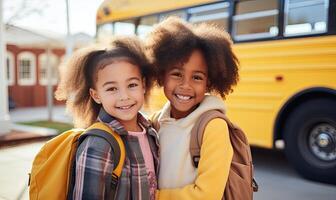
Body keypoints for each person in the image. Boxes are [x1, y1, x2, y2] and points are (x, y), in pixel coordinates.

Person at [146, 17, 239, 199]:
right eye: (176, 74)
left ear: (209, 82)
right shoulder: (154, 122)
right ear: (161, 74)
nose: (185, 85)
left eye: (197, 77)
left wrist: (153, 196)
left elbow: (208, 195)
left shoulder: (213, 127)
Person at [55, 37, 159, 200]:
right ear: (96, 95)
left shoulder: (151, 131)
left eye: (132, 85)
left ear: (143, 85)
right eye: (112, 88)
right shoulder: (98, 144)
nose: (124, 96)